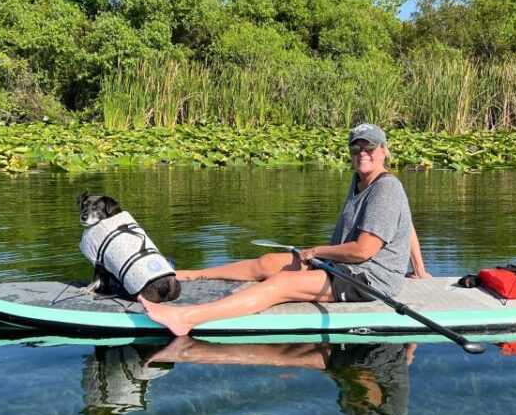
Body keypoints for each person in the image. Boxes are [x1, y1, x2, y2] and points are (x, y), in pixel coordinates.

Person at [139, 123, 431, 335]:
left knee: (280, 284)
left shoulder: (386, 189)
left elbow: (363, 250)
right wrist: (418, 268)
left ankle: (187, 318)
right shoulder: (360, 180)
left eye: (369, 147)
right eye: (356, 147)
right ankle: (186, 275)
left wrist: (317, 251)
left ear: (383, 151)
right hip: (344, 266)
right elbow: (404, 221)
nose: (362, 153)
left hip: (368, 280)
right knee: (268, 262)